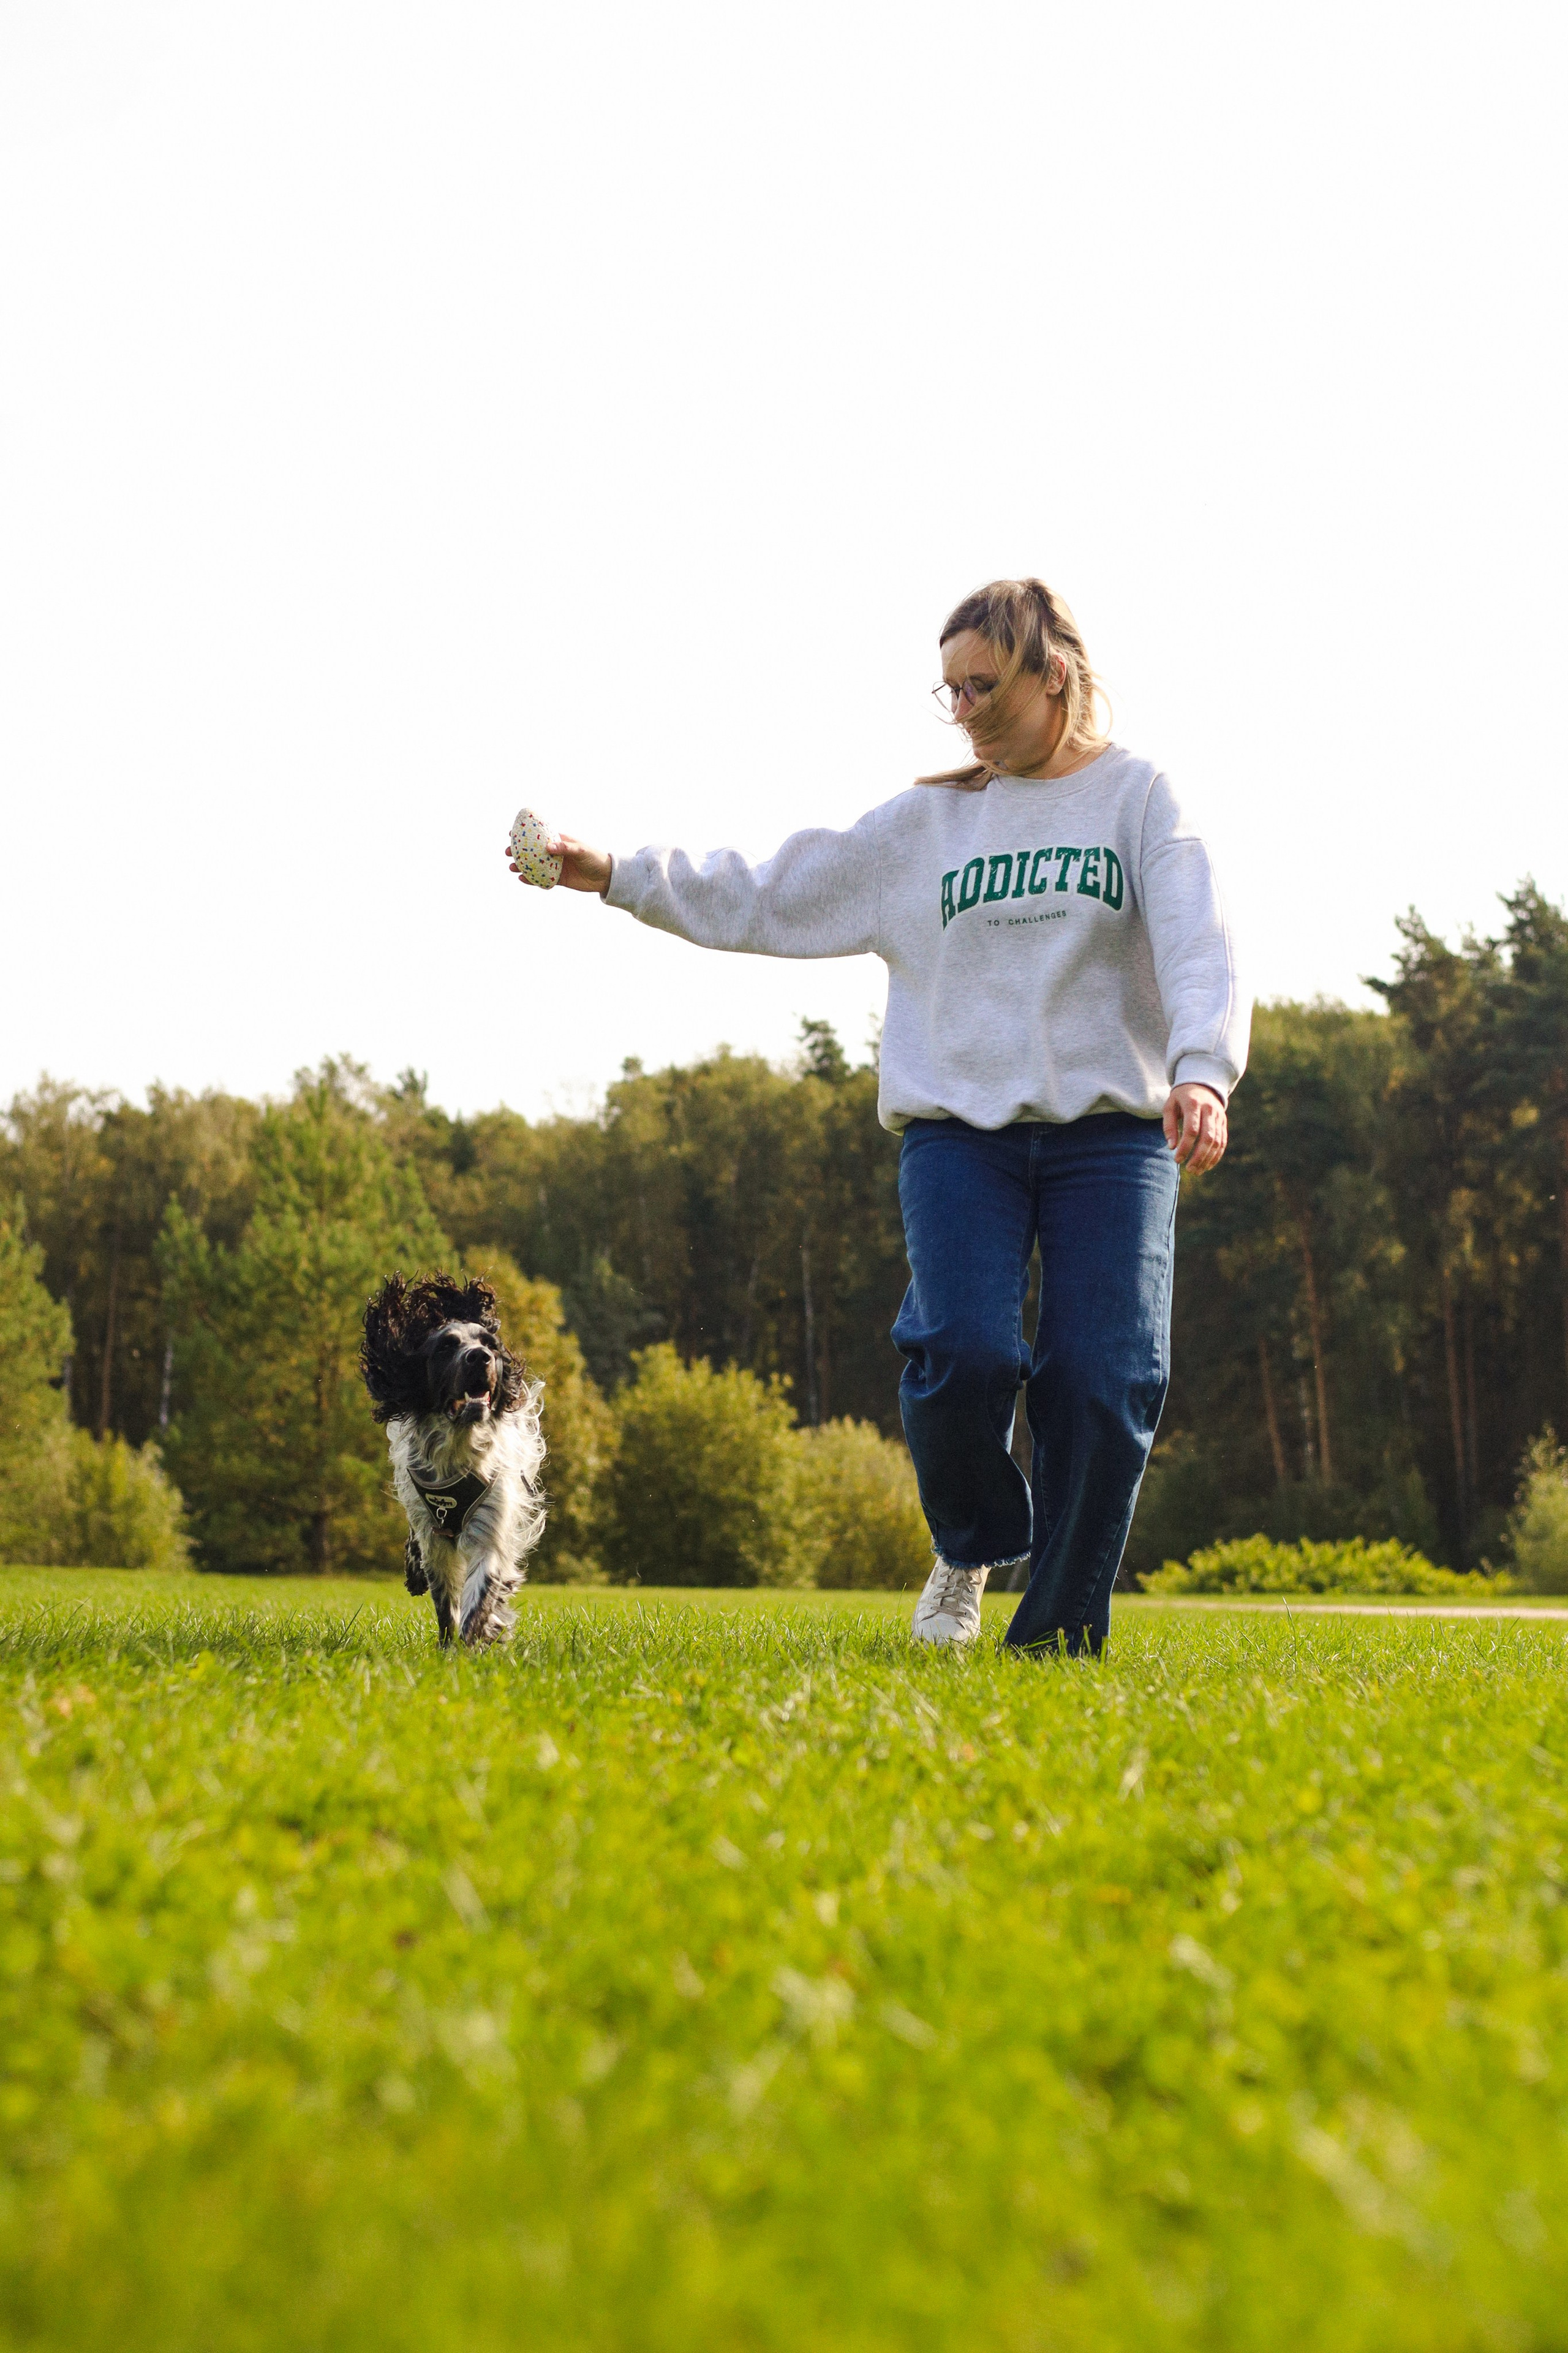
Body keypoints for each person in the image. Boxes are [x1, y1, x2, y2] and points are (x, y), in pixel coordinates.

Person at [507, 578, 1249, 1653]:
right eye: (950, 691)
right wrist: (616, 874)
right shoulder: (926, 827)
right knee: (961, 1353)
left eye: (983, 686)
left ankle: (1054, 1642)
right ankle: (974, 1541)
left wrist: (1203, 1071)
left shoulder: (1140, 800)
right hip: (958, 1137)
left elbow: (1198, 938)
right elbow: (770, 889)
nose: (964, 712)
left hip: (1111, 1134)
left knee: (1104, 1378)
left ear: (1054, 675)